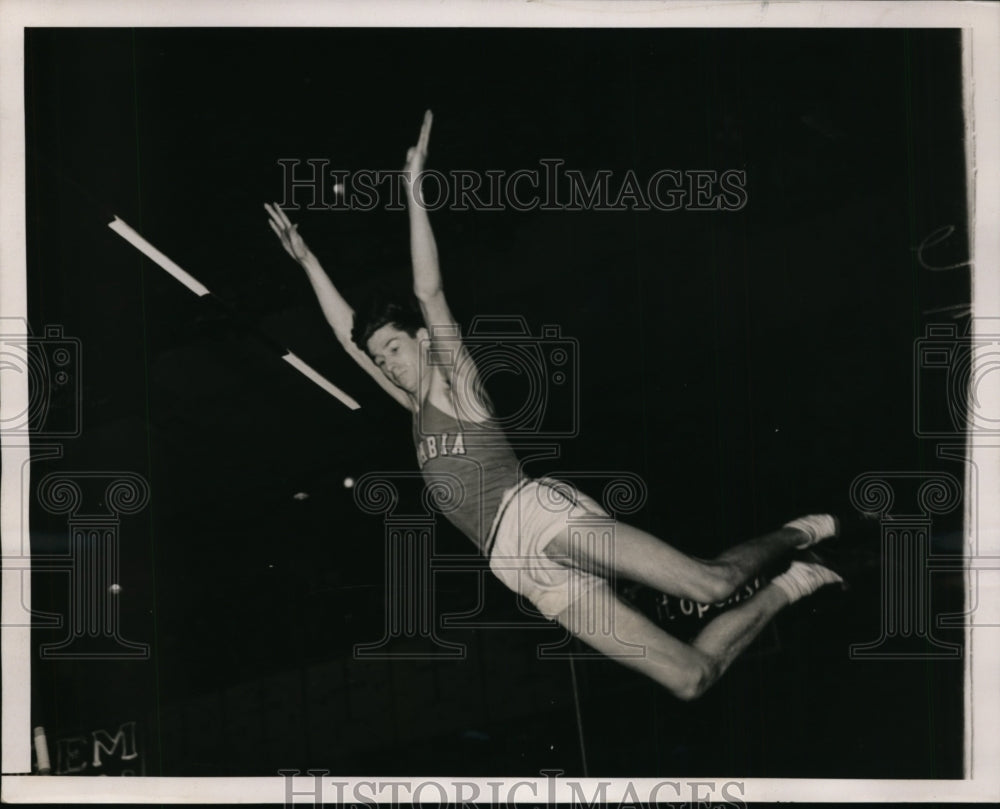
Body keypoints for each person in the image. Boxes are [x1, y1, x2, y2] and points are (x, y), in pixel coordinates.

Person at [264, 110, 844, 700]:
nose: (384, 362)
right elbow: (347, 340)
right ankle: (801, 580)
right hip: (518, 567)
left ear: (420, 340)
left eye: (392, 348)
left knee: (708, 585)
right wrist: (307, 260)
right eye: (379, 358)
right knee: (689, 677)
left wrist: (414, 193)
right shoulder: (411, 406)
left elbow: (428, 291)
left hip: (537, 517)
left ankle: (800, 532)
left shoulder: (455, 385)